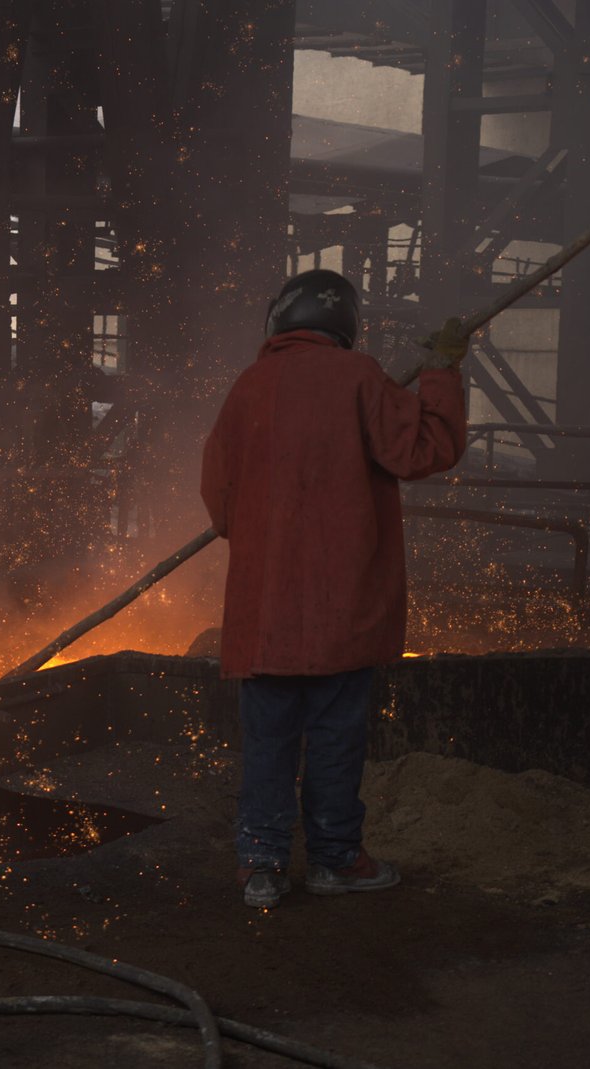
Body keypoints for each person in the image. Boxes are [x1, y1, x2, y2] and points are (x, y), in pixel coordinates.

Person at [199, 269, 469, 908]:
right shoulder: (359, 377)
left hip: (264, 612)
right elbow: (423, 450)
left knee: (267, 742)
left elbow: (219, 498)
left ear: (279, 318)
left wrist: (265, 536)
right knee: (334, 739)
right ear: (345, 325)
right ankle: (335, 860)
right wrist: (440, 374)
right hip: (340, 606)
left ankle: (261, 868)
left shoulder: (249, 386)